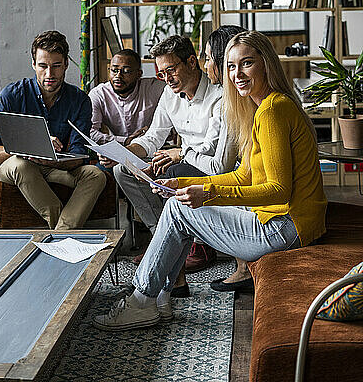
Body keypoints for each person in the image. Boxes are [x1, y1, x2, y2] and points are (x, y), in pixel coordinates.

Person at [95, 30, 327, 330]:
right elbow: (245, 175)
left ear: (266, 63)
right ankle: (160, 296)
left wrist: (209, 196)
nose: (236, 73)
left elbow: (279, 191)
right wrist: (198, 186)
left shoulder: (272, 111)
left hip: (285, 227)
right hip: (287, 221)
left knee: (178, 211)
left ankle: (142, 300)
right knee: (178, 204)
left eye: (246, 64)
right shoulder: (265, 106)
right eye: (231, 66)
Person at [111, 34, 233, 274]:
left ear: (190, 62)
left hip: (208, 165)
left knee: (172, 169)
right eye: (161, 74)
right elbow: (154, 136)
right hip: (181, 158)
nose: (167, 79)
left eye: (171, 70)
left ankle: (200, 246)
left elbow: (210, 149)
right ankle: (163, 239)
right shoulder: (169, 94)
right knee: (122, 170)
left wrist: (177, 154)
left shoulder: (218, 96)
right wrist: (126, 153)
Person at [0, 30, 106, 230]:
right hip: (14, 169)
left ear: (66, 64)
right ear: (33, 65)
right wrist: (32, 146)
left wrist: (53, 157)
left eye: (56, 66)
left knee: (95, 174)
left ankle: (61, 234)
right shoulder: (11, 96)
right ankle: (64, 232)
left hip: (54, 167)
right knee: (21, 164)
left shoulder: (79, 100)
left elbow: (79, 154)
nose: (49, 74)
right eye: (43, 66)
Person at [89, 48, 165, 146]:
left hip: (153, 148)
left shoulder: (153, 88)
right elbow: (90, 132)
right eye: (114, 70)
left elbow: (178, 96)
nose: (118, 76)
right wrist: (125, 140)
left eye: (126, 71)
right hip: (117, 150)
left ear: (139, 74)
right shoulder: (99, 94)